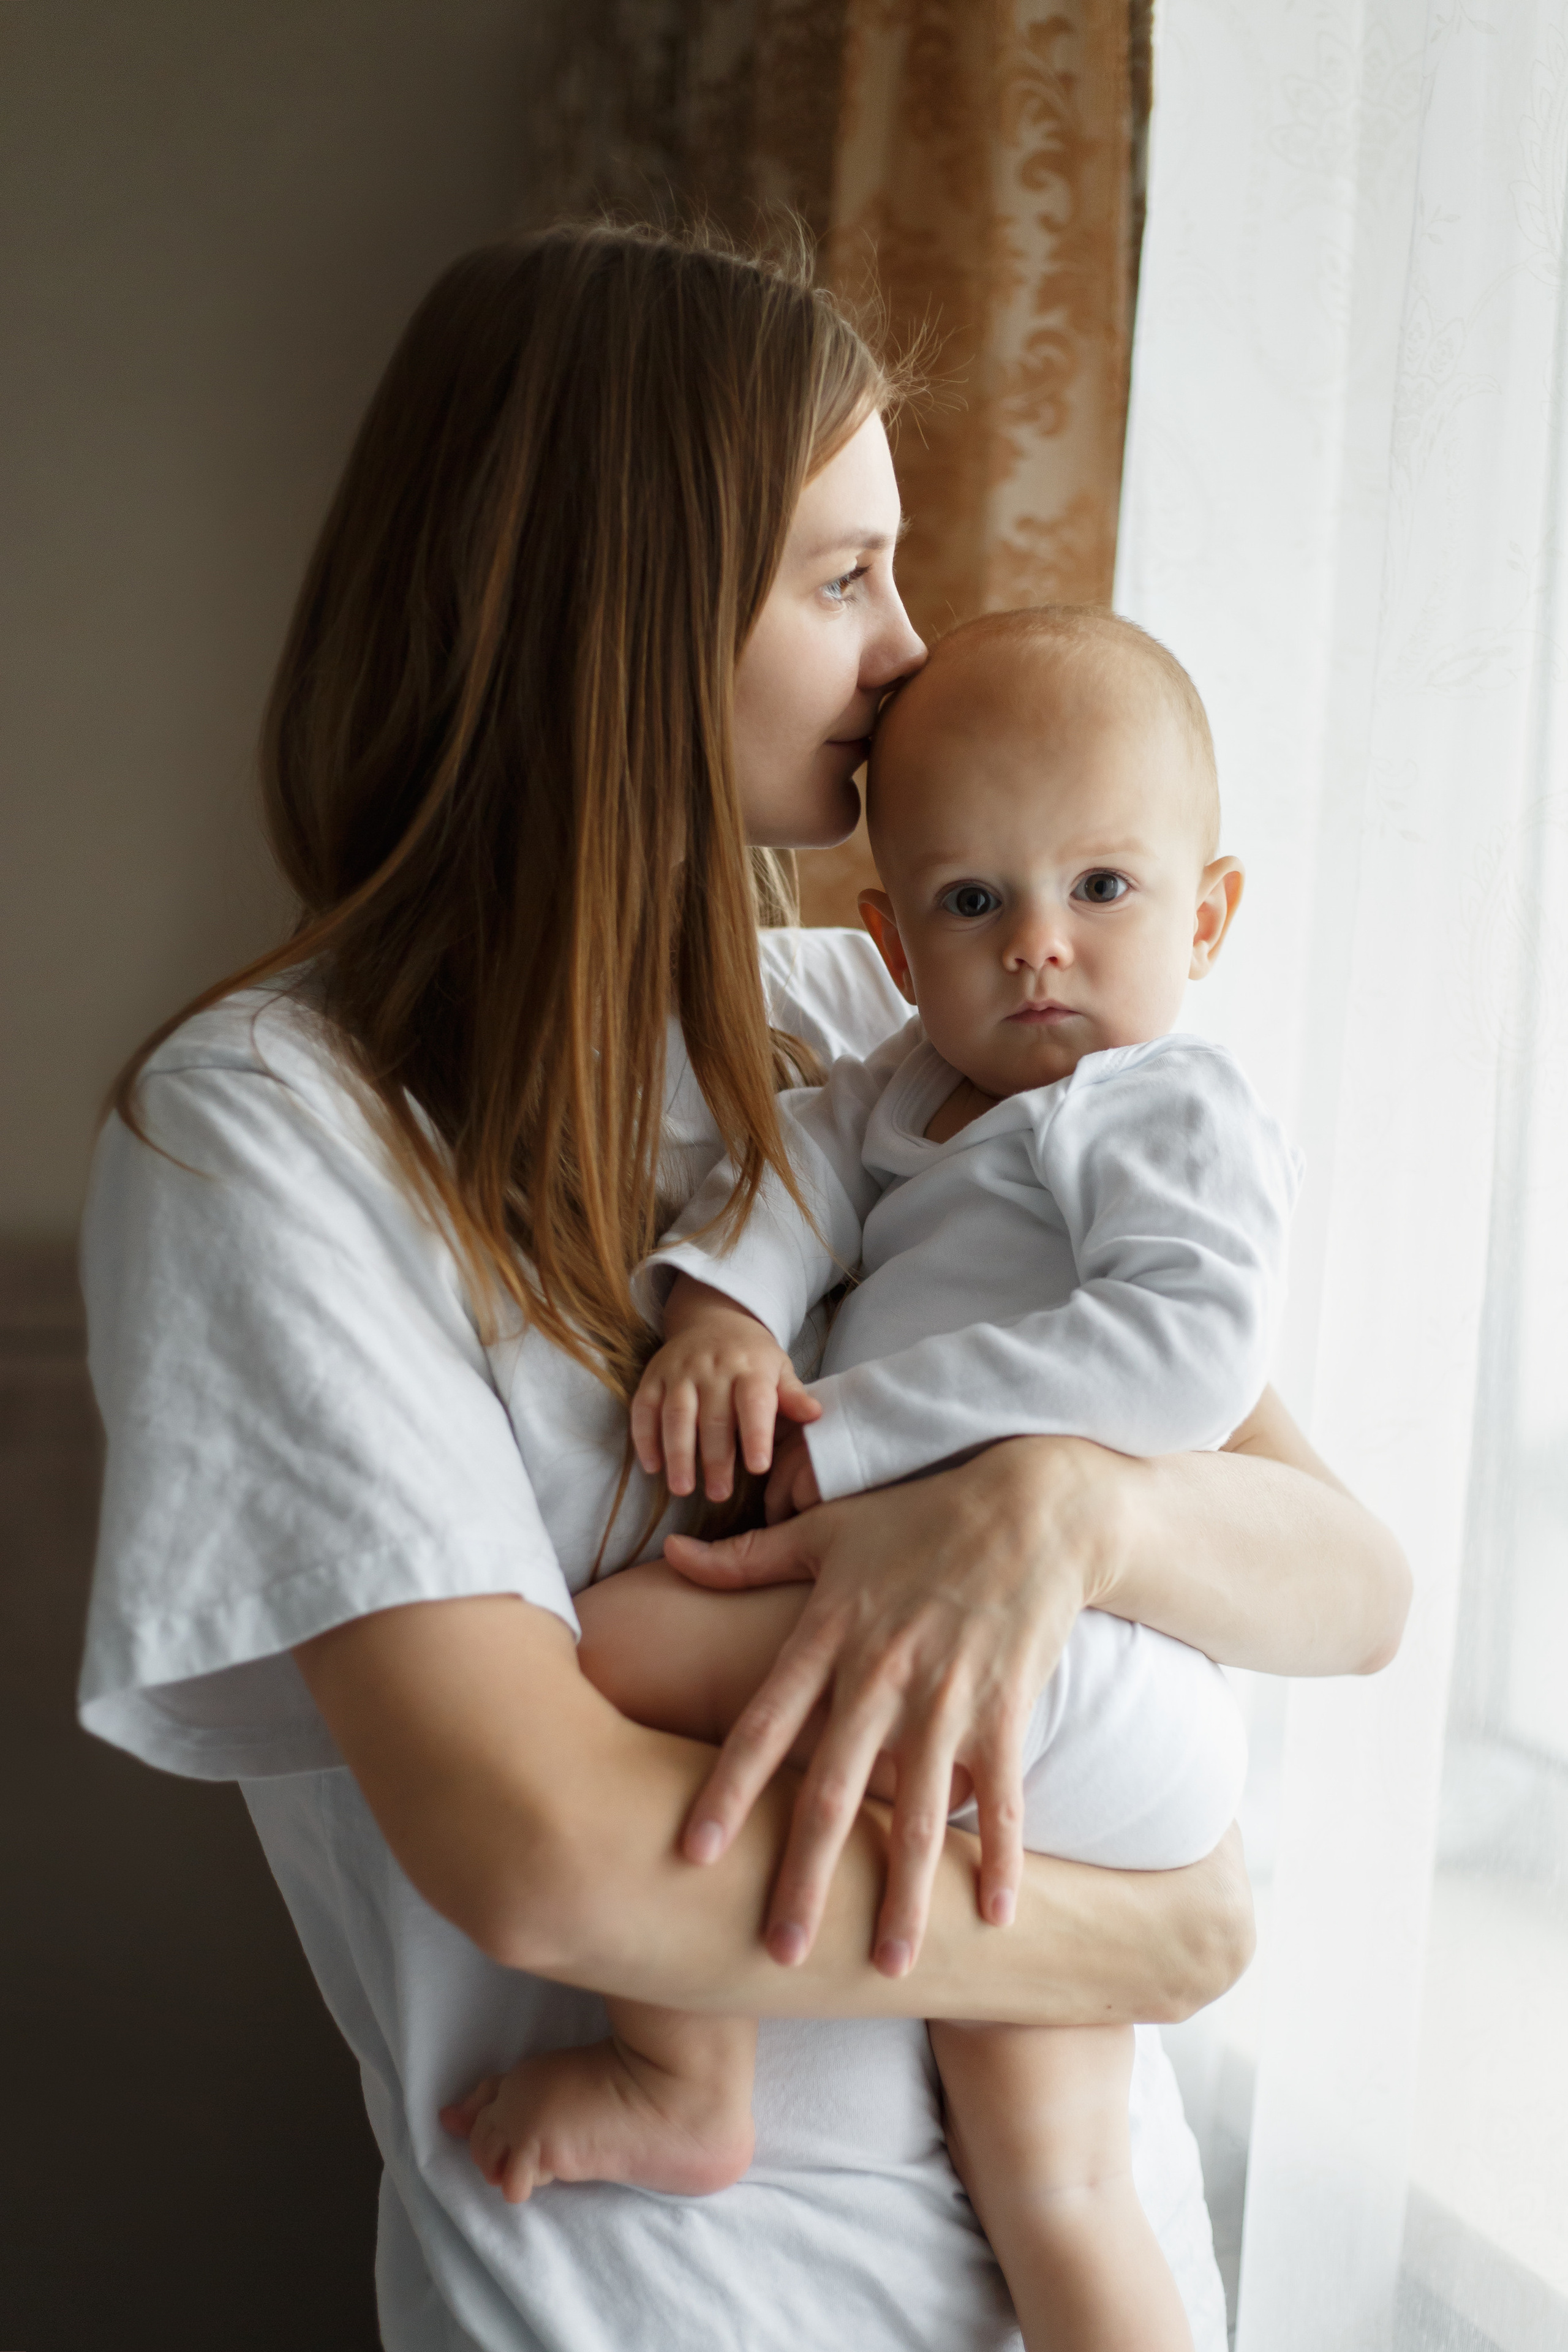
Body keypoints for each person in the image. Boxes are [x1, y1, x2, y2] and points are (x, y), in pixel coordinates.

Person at [77, 223, 1409, 2352]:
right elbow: (545, 1853)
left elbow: (1340, 1579)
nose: (910, 651)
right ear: (620, 612)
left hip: (1087, 2273)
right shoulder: (270, 1131)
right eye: (839, 577)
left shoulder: (869, 1027)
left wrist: (1061, 1511)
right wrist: (1158, 1941)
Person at [448, 609, 1300, 2352]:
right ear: (895, 943)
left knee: (611, 1654)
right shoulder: (892, 1094)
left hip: (1081, 1671)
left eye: (1106, 893)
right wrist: (724, 1328)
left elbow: (1193, 1354)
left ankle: (685, 2074)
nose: (1042, 951)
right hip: (1032, 1749)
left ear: (1207, 915)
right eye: (975, 903)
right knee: (1056, 2188)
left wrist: (853, 1427)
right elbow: (773, 1209)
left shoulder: (1158, 1102)